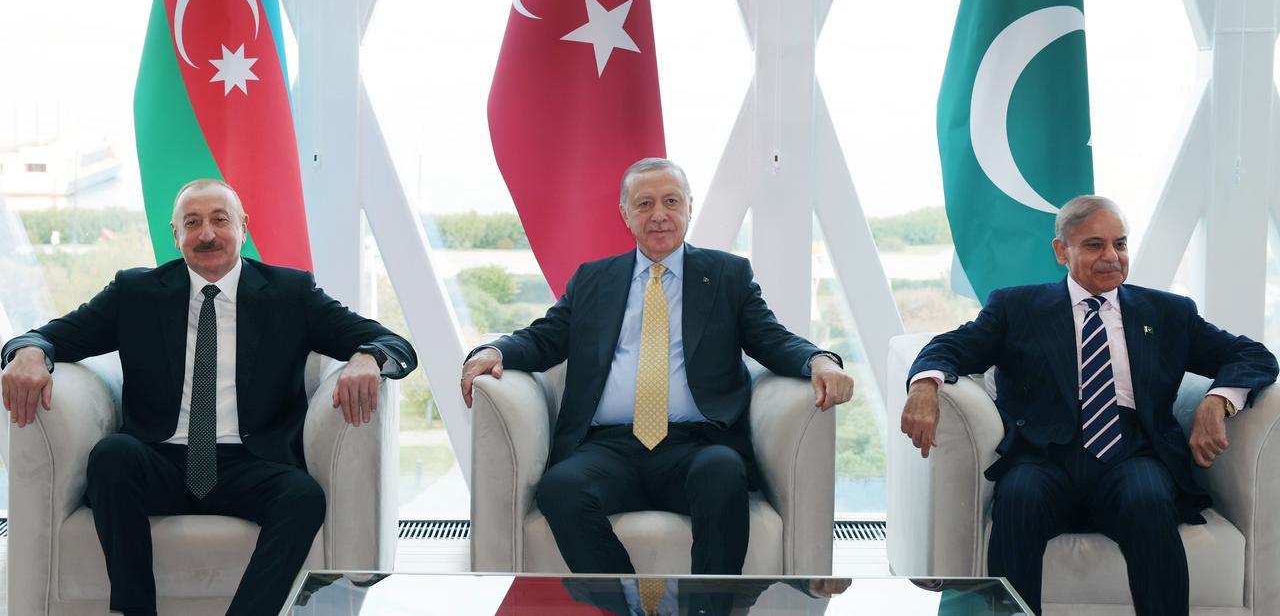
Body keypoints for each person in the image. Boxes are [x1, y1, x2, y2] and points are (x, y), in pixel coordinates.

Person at [1, 178, 418, 616]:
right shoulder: (136, 293)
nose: (207, 234)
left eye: (220, 220)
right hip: (159, 459)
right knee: (111, 456)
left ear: (243, 225)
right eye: (192, 222)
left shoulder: (290, 294)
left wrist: (367, 359)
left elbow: (392, 343)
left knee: (303, 496)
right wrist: (29, 351)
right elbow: (48, 336)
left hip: (250, 463)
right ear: (175, 234)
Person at [460, 157, 855, 575]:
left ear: (688, 206)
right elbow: (545, 337)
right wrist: (494, 352)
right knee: (561, 487)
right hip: (608, 446)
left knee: (723, 472)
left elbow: (771, 338)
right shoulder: (594, 279)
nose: (659, 215)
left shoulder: (726, 275)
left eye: (670, 201)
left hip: (696, 444)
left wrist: (819, 360)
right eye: (645, 204)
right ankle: (626, 605)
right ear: (625, 214)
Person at [900, 195, 1278, 616]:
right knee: (1018, 501)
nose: (1112, 257)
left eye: (1120, 244)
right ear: (1062, 251)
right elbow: (950, 347)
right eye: (1094, 245)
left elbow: (1253, 356)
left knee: (1150, 501)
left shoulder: (1168, 312)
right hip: (1043, 457)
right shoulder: (1017, 307)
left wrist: (1216, 401)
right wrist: (924, 387)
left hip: (1133, 454)